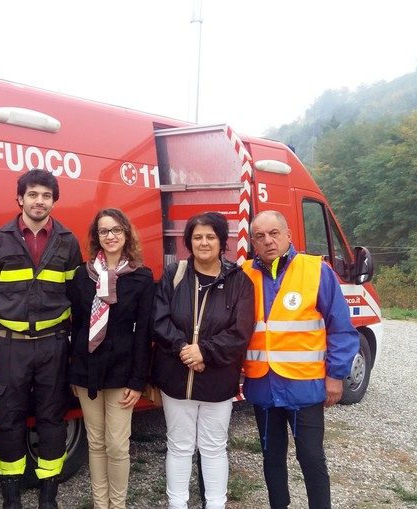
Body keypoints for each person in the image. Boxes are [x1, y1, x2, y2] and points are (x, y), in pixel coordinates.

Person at [0, 169, 83, 509]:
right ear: (20, 198)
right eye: (33, 194)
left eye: (46, 195)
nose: (40, 201)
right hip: (12, 346)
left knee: (52, 418)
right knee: (9, 418)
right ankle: (11, 496)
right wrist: (9, 323)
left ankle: (48, 496)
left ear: (54, 200)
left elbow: (76, 293)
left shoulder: (67, 240)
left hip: (53, 344)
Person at [242, 210, 359, 509]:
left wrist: (335, 376)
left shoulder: (316, 270)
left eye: (274, 233)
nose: (268, 241)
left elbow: (341, 328)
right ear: (253, 242)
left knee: (310, 457)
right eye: (260, 236)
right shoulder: (244, 274)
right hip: (263, 386)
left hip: (304, 387)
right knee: (271, 458)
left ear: (288, 235)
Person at [151, 212, 254, 509]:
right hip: (176, 379)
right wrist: (185, 349)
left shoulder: (239, 281)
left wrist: (204, 352)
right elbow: (158, 319)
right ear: (189, 242)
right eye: (197, 237)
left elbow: (240, 331)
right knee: (179, 445)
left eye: (211, 236)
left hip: (217, 380)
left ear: (222, 241)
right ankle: (177, 503)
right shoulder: (175, 274)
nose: (204, 242)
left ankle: (216, 503)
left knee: (213, 447)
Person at [67, 208, 154, 509]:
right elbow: (76, 327)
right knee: (96, 442)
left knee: (117, 445)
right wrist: (73, 373)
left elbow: (143, 333)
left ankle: (117, 505)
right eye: (104, 231)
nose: (111, 236)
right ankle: (99, 504)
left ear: (127, 233)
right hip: (86, 370)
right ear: (96, 237)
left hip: (122, 372)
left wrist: (138, 380)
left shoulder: (142, 277)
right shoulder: (82, 275)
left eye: (116, 230)